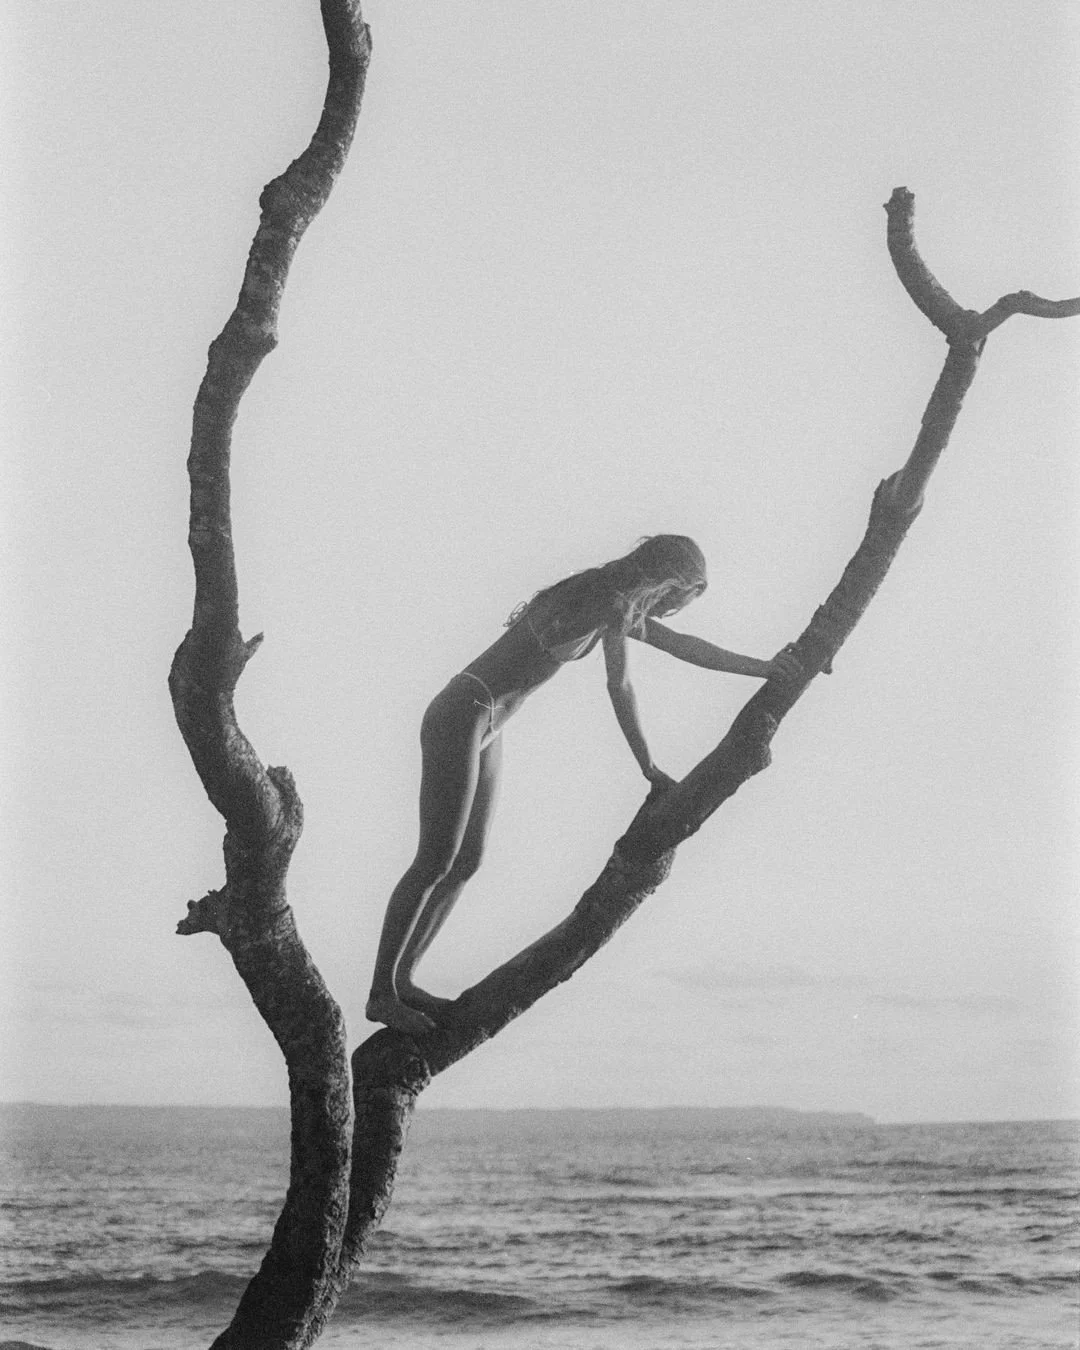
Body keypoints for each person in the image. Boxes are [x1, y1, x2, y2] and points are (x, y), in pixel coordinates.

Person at [365, 534, 800, 1034]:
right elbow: (620, 686)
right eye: (676, 600)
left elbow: (684, 648)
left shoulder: (609, 600)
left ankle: (404, 982)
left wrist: (763, 668)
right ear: (665, 582)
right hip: (463, 714)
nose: (670, 612)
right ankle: (382, 994)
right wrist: (648, 766)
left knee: (467, 861)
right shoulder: (604, 599)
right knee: (435, 859)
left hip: (487, 726)